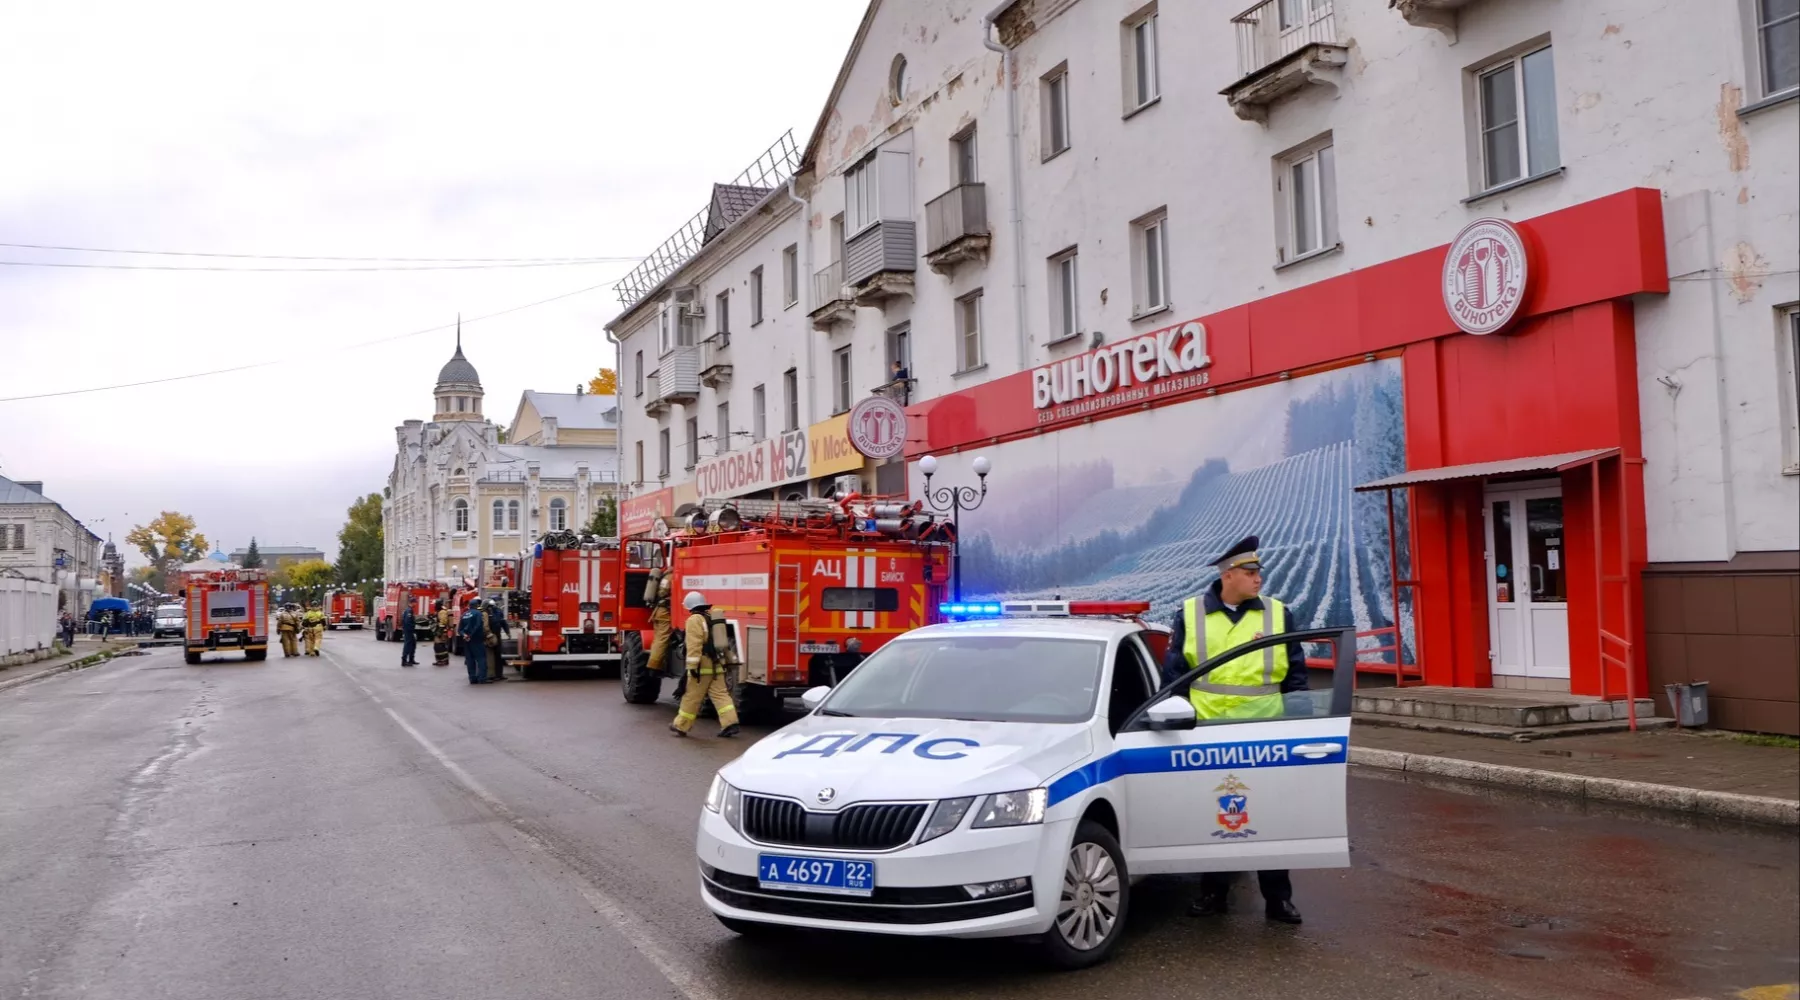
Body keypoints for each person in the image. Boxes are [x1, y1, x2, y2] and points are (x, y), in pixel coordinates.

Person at [1160, 535, 1309, 926]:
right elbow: (1174, 677)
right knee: (1216, 816)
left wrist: (1303, 725)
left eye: (1259, 571)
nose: (1259, 578)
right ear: (1228, 575)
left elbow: (1295, 675)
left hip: (1265, 734)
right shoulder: (1190, 614)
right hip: (1209, 734)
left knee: (1271, 818)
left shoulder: (1278, 613)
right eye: (1251, 572)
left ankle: (1278, 900)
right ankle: (1212, 894)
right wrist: (1175, 722)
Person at [670, 591, 740, 738]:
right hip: (717, 665)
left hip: (702, 666)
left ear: (689, 606)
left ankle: (680, 726)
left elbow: (694, 645)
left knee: (692, 696)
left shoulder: (694, 620)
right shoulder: (711, 618)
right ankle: (730, 723)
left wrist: (692, 667)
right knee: (721, 695)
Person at [644, 565, 674, 676]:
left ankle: (657, 664)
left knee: (658, 639)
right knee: (662, 638)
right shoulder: (670, 576)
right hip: (664, 612)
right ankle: (654, 666)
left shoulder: (666, 575)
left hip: (659, 612)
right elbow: (663, 592)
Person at [433, 601, 452, 666]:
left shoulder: (442, 612)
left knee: (439, 646)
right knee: (440, 646)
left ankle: (443, 661)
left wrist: (439, 632)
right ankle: (440, 660)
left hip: (442, 632)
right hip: (440, 631)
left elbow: (443, 622)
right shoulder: (440, 611)